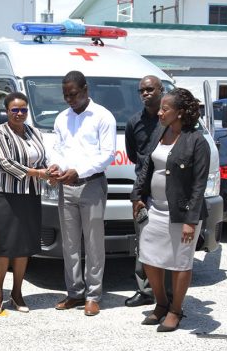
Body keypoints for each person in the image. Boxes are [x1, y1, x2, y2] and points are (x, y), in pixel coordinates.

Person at [131, 88, 210, 332]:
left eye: (166, 109)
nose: (160, 113)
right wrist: (137, 196)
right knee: (150, 259)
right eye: (161, 108)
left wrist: (190, 220)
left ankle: (176, 310)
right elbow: (147, 165)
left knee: (180, 262)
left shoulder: (197, 141)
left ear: (180, 113)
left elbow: (199, 184)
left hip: (182, 214)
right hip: (155, 208)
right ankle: (161, 303)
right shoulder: (160, 131)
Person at [47, 70, 116, 317]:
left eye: (73, 94)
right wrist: (55, 165)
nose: (69, 99)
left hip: (91, 185)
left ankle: (93, 295)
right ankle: (75, 292)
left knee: (94, 243)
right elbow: (57, 148)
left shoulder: (102, 116)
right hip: (67, 186)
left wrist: (79, 171)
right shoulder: (62, 118)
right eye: (65, 95)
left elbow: (107, 154)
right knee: (70, 244)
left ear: (86, 89)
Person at [0, 92, 48, 315]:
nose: (19, 113)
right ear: (7, 111)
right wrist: (37, 172)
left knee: (23, 247)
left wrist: (49, 169)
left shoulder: (35, 132)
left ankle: (17, 293)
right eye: (15, 110)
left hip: (30, 195)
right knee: (3, 248)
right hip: (5, 196)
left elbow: (42, 157)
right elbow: (4, 163)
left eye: (23, 109)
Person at [124, 75, 165, 307]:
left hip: (167, 188)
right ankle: (145, 290)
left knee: (166, 241)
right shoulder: (133, 122)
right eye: (142, 90)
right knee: (144, 240)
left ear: (160, 90)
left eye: (150, 89)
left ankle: (166, 291)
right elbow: (133, 155)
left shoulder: (170, 119)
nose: (146, 93)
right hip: (142, 188)